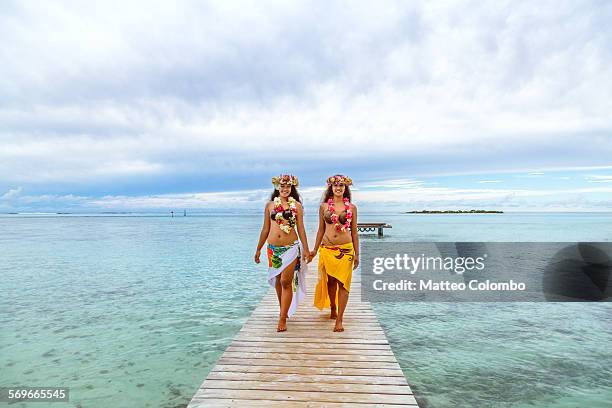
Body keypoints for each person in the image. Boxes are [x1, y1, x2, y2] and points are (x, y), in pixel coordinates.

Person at [254, 174, 310, 332]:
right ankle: (283, 310)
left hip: (290, 248)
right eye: (282, 186)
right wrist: (258, 248)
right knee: (278, 281)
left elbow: (301, 228)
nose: (285, 189)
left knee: (286, 281)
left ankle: (282, 318)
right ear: (277, 187)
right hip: (273, 249)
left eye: (288, 187)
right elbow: (266, 228)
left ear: (292, 188)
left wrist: (306, 249)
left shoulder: (297, 206)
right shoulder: (270, 205)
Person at [312, 174, 359, 332]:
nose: (338, 188)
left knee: (343, 284)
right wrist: (313, 249)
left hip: (346, 249)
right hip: (327, 249)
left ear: (345, 188)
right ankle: (333, 307)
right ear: (331, 188)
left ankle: (339, 319)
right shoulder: (324, 207)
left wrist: (357, 254)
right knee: (331, 282)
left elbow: (354, 232)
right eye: (335, 186)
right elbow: (320, 230)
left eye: (341, 186)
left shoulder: (351, 208)